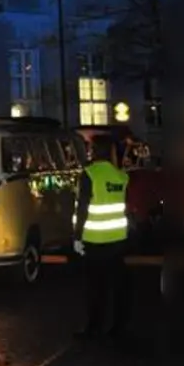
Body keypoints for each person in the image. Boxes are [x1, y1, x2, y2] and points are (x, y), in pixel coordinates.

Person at [73, 132, 132, 340]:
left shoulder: (89, 173)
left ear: (95, 151)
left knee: (95, 287)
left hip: (95, 240)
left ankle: (94, 327)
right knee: (117, 286)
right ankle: (118, 326)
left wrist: (77, 237)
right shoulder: (121, 176)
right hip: (117, 239)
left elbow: (83, 208)